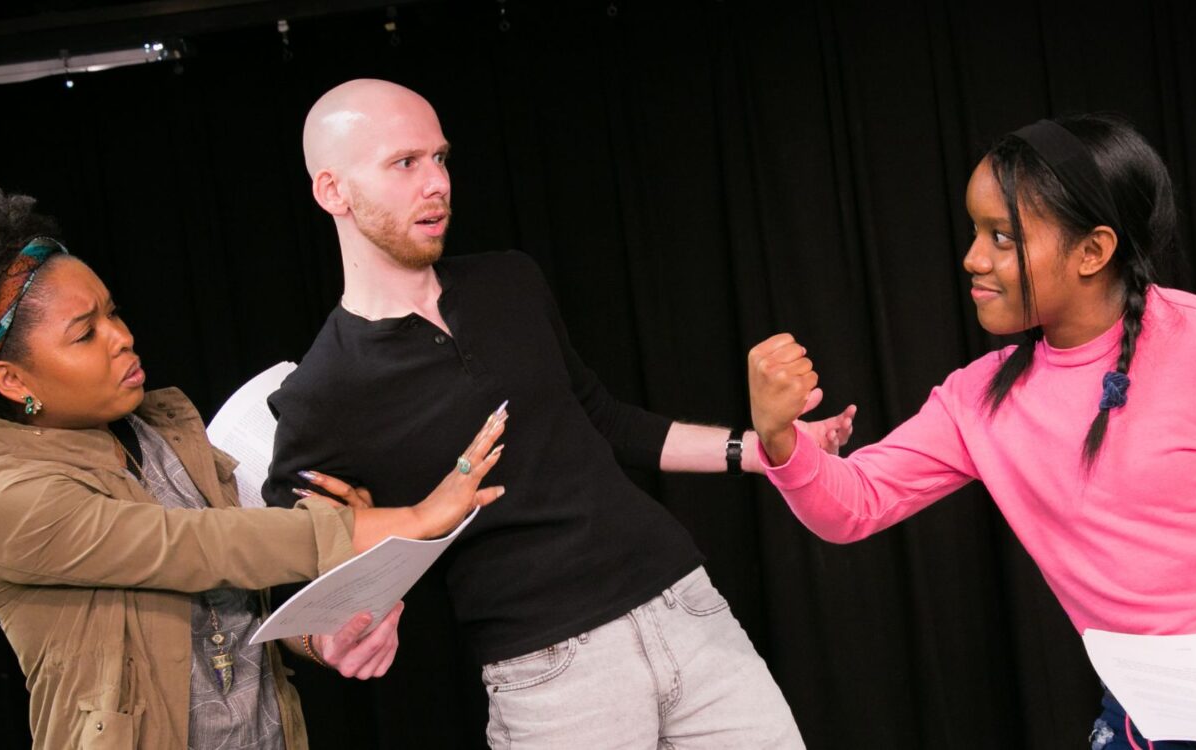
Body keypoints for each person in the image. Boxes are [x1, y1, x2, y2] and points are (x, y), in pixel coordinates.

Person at [259, 78, 856, 748]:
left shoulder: (509, 282)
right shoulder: (323, 389)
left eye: (441, 158)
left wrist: (764, 447)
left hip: (685, 604)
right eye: (405, 163)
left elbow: (600, 417)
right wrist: (325, 637)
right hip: (551, 669)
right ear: (332, 191)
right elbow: (290, 562)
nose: (437, 183)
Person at [747, 114, 1196, 748]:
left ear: (1093, 252)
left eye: (1002, 237)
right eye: (974, 231)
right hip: (1148, 699)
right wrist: (779, 438)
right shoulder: (980, 398)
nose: (972, 258)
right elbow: (852, 506)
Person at [0, 179, 507, 749]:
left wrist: (318, 634)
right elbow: (198, 547)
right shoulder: (4, 498)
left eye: (113, 313)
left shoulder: (163, 429)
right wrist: (413, 518)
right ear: (10, 378)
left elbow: (232, 603)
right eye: (85, 333)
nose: (122, 337)